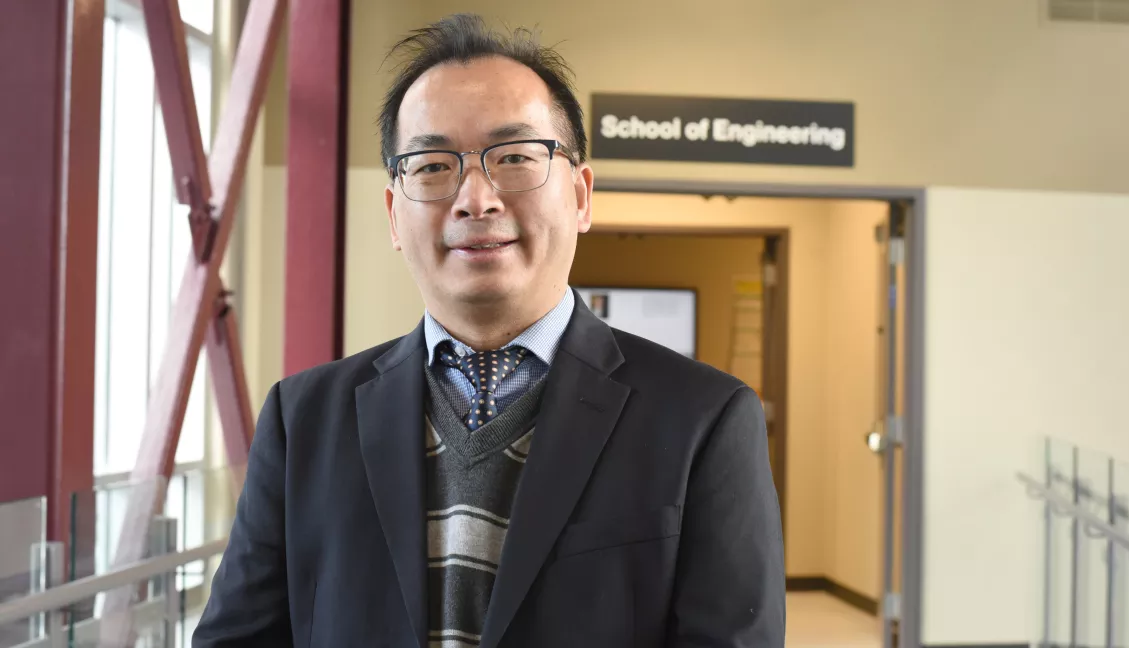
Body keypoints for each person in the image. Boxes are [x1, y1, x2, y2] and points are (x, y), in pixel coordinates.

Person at [193, 13, 784, 648]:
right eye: (431, 166)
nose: (476, 198)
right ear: (395, 215)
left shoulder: (704, 419)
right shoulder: (302, 418)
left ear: (581, 197)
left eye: (515, 157)